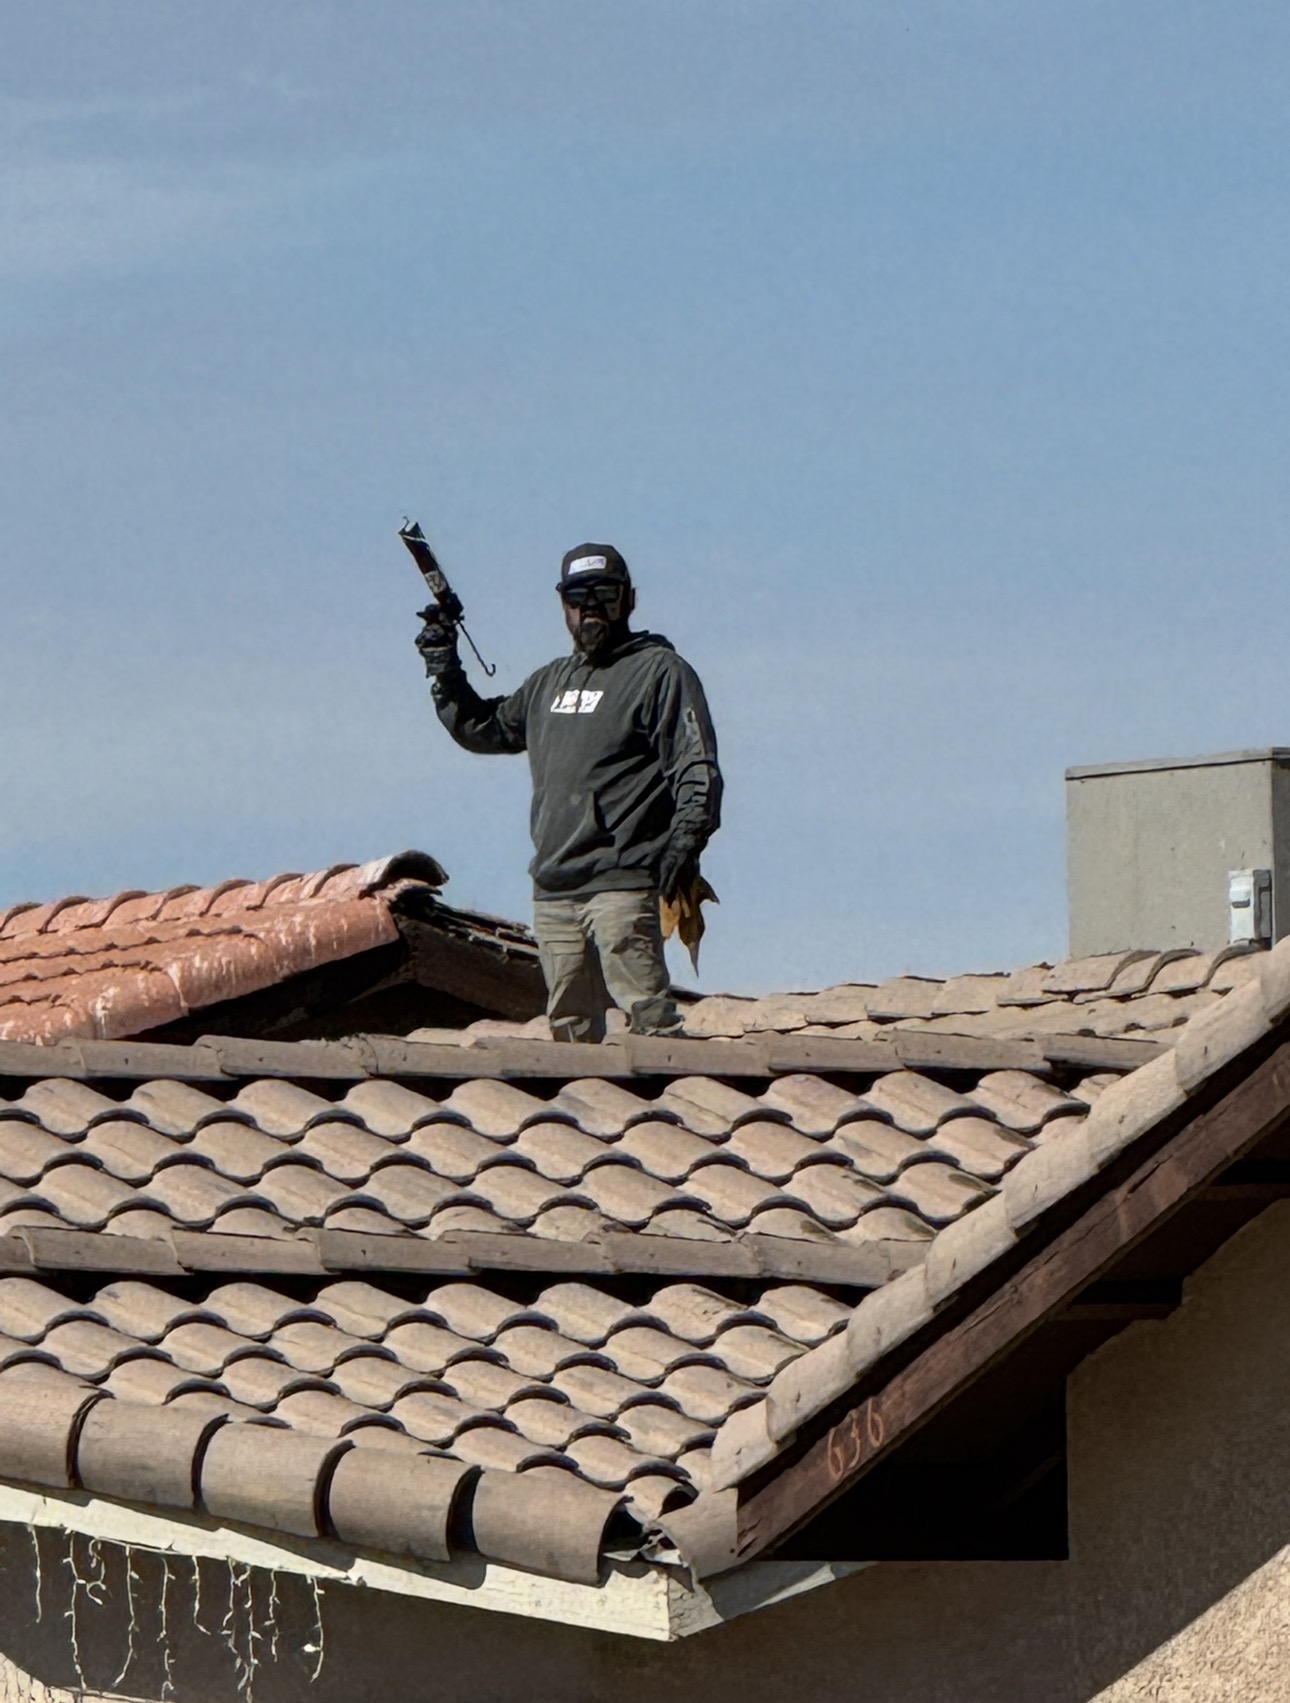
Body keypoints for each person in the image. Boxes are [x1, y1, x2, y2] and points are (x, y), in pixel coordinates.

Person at [416, 542, 722, 1042]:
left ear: (629, 600)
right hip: (555, 890)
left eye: (605, 593)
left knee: (651, 1025)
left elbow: (695, 765)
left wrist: (685, 842)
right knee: (571, 1039)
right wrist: (443, 668)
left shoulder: (659, 671)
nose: (591, 607)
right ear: (563, 604)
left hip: (623, 882)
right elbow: (482, 728)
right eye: (579, 597)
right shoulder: (548, 684)